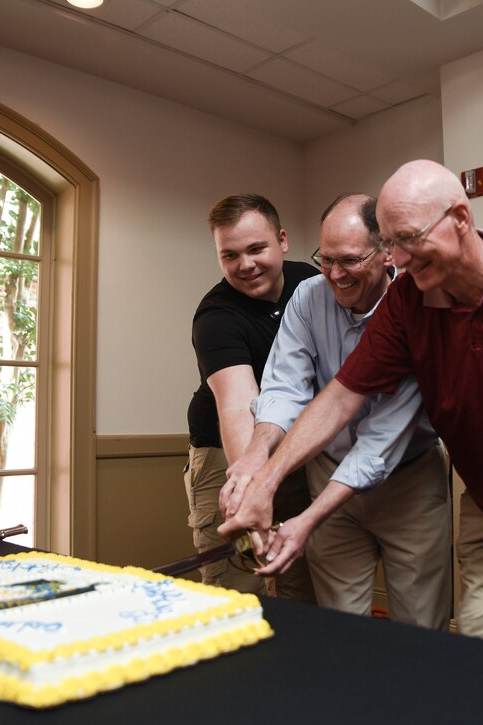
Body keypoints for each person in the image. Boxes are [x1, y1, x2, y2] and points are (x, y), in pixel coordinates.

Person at [221, 160, 483, 641]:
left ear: (461, 219)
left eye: (408, 239)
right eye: (392, 245)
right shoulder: (410, 300)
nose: (401, 260)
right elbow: (341, 396)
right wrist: (266, 480)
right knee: (473, 639)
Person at [218, 194, 451, 630]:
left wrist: (306, 519)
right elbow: (285, 388)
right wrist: (255, 456)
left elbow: (380, 443)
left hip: (409, 483)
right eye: (325, 260)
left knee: (420, 631)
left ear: (386, 253)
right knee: (340, 627)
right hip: (326, 472)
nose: (334, 275)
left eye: (348, 261)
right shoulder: (308, 297)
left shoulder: (416, 308)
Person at [185, 193, 317, 603]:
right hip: (228, 457)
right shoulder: (216, 318)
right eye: (230, 255)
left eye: (256, 248)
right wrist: (248, 486)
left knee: (295, 575)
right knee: (239, 579)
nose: (245, 265)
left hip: (294, 449)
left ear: (282, 240)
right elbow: (239, 404)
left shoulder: (311, 285)